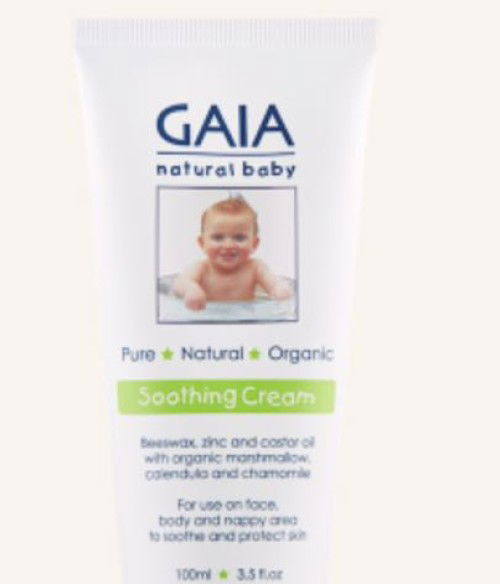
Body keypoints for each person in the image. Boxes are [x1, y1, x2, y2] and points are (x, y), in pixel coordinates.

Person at [173, 196, 292, 311]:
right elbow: (179, 283)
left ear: (254, 244)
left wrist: (279, 290)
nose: (228, 245)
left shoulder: (256, 267)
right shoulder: (202, 268)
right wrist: (191, 289)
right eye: (218, 238)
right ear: (202, 243)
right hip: (207, 318)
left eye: (239, 238)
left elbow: (274, 283)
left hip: (245, 318)